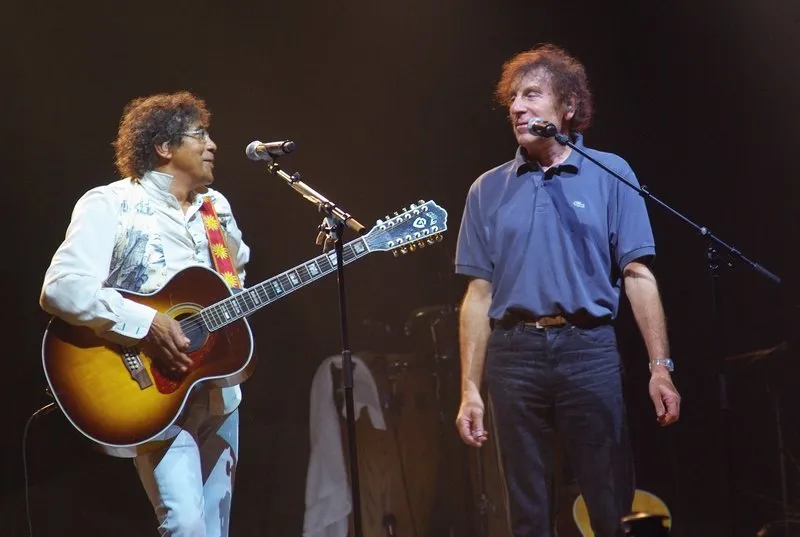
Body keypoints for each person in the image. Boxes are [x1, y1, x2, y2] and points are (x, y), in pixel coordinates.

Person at [454, 44, 681, 537]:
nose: (517, 108)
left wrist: (660, 368)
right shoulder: (486, 189)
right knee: (528, 513)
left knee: (609, 502)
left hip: (589, 350)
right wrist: (470, 389)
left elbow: (638, 275)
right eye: (513, 99)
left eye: (532, 95)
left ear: (569, 106)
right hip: (514, 355)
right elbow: (478, 293)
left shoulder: (610, 173)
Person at [40, 91, 250, 537]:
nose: (212, 145)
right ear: (164, 146)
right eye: (200, 135)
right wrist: (147, 323)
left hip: (217, 386)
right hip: (148, 388)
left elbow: (233, 287)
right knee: (186, 525)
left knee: (215, 529)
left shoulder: (217, 209)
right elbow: (62, 288)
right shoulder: (110, 203)